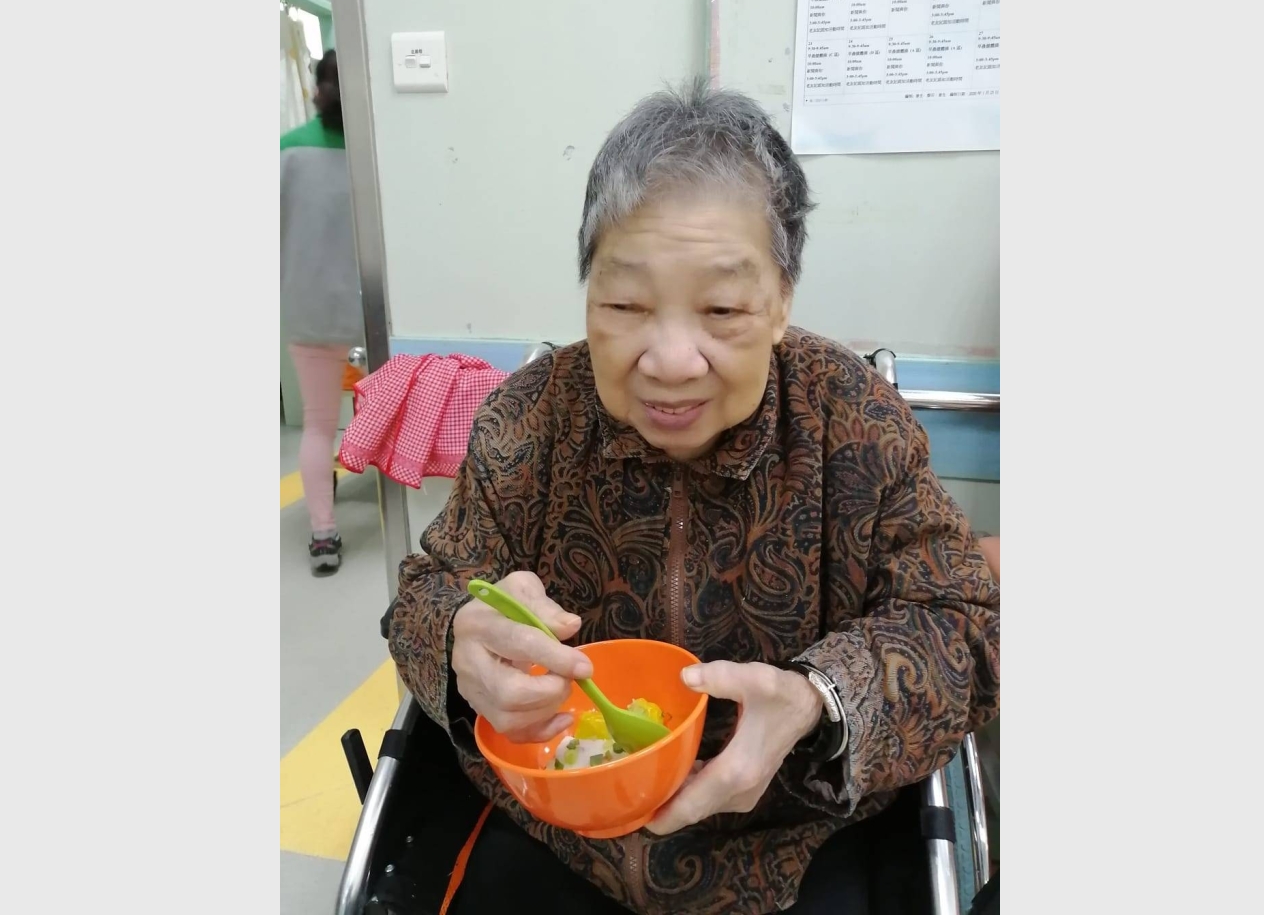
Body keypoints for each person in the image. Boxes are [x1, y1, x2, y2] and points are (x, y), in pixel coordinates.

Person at [387, 81, 999, 915]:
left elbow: (964, 619)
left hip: (793, 841)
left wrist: (820, 700)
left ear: (781, 303)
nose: (671, 361)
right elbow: (424, 592)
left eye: (722, 308)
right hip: (559, 832)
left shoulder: (852, 420)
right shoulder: (531, 418)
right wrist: (461, 641)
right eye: (625, 304)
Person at [280, 49, 362, 576]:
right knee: (385, 415)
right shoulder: (373, 152)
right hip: (367, 314)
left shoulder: (285, 151)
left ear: (316, 91)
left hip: (307, 311)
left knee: (317, 425)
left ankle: (324, 535)